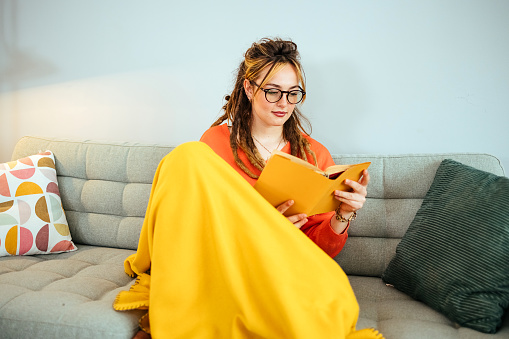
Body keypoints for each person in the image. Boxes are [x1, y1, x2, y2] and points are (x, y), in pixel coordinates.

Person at [114, 38, 383, 339]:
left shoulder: (314, 155)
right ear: (249, 88)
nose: (284, 103)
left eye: (293, 94)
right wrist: (261, 223)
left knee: (325, 298)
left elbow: (320, 252)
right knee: (186, 155)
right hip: (230, 258)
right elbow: (199, 225)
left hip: (282, 263)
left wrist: (343, 215)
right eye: (273, 92)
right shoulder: (214, 143)